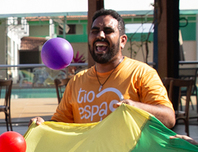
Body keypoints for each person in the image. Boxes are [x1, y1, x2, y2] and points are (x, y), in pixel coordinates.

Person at [39, 9, 175, 129]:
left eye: (108, 31)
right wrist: (42, 126)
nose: (100, 35)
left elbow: (169, 119)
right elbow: (60, 124)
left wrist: (135, 108)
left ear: (122, 41)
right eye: (95, 31)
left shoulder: (142, 73)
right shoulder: (76, 81)